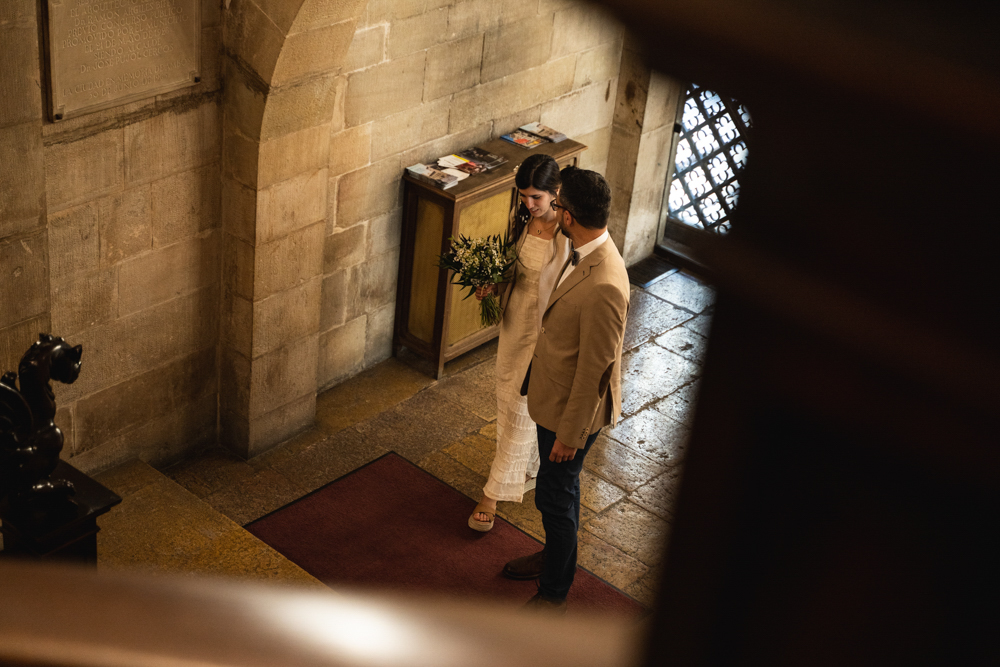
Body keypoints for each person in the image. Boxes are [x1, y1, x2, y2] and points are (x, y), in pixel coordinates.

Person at [502, 167, 630, 611]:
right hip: (554, 393)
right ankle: (552, 556)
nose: (553, 211)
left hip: (571, 413)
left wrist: (570, 436)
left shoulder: (606, 283)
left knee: (555, 498)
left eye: (557, 205)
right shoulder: (580, 250)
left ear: (569, 215)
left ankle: (553, 592)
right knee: (559, 494)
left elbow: (597, 370)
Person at [468, 154, 572, 532]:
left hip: (544, 328)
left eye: (536, 198)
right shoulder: (523, 220)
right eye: (524, 196)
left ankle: (491, 495)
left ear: (555, 193)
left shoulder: (566, 230)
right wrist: (490, 285)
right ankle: (528, 469)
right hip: (515, 323)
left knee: (523, 405)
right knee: (508, 396)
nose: (528, 204)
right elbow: (513, 269)